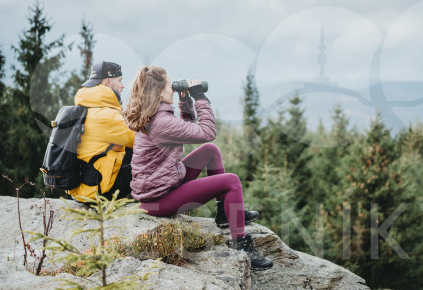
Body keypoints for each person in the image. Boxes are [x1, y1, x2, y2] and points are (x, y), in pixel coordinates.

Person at [124, 65, 273, 270]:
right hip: (159, 200)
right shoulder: (161, 122)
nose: (173, 89)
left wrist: (185, 101)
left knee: (210, 151)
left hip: (160, 187)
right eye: (170, 86)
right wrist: (200, 96)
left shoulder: (154, 116)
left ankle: (223, 213)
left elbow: (188, 130)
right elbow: (208, 131)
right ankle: (242, 246)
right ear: (158, 91)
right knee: (231, 181)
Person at [67, 61, 135, 202]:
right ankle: (161, 207)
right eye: (120, 80)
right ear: (108, 82)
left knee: (128, 150)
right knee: (148, 159)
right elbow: (139, 141)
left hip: (84, 186)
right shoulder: (106, 115)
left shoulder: (87, 107)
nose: (123, 85)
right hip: (96, 192)